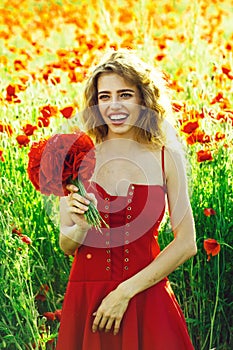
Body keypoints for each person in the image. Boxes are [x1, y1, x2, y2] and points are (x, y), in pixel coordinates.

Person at [56, 49, 197, 350]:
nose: (114, 105)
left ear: (143, 100)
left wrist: (124, 292)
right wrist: (80, 225)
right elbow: (67, 245)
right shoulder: (77, 157)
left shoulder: (165, 159)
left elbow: (187, 242)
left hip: (147, 296)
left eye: (125, 95)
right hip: (87, 301)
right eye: (104, 97)